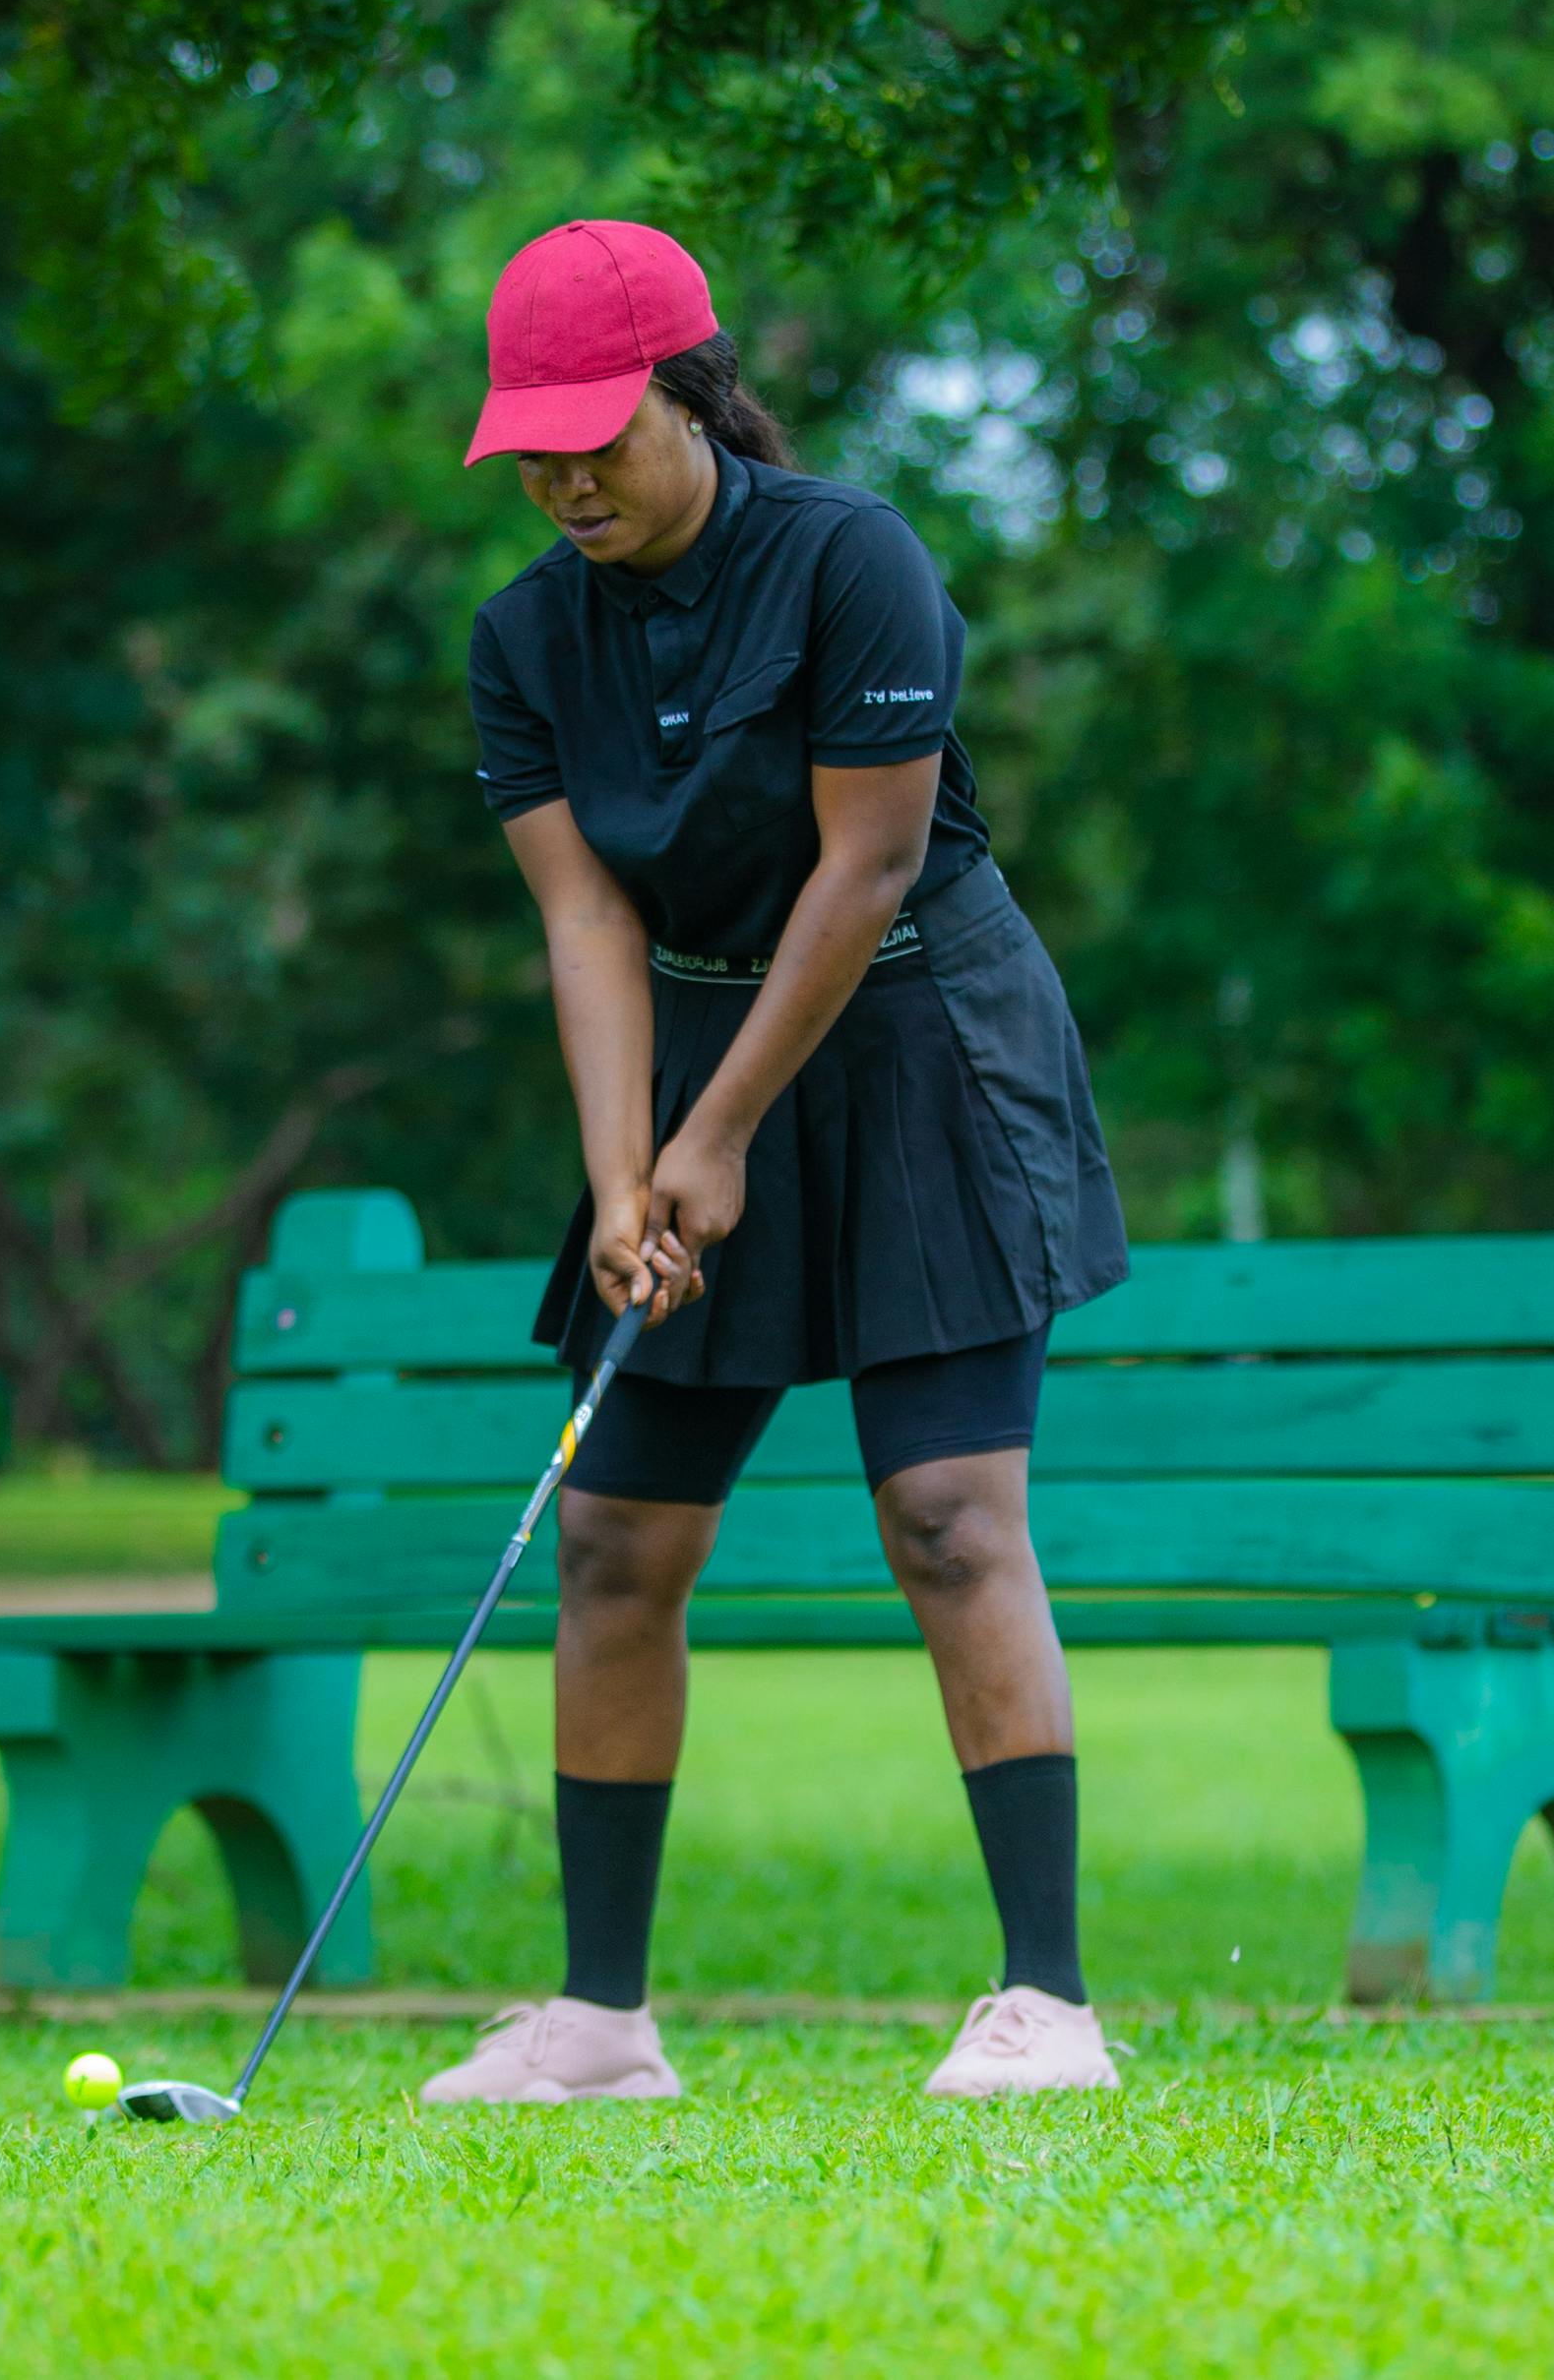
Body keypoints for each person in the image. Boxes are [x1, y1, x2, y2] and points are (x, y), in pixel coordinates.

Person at [419, 219, 1129, 2107]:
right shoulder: (521, 639)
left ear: (691, 394)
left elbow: (867, 864)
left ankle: (1046, 2001)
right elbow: (586, 916)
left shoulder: (849, 559)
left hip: (921, 1040)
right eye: (531, 449)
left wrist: (716, 1133)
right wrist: (625, 1173)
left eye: (595, 435)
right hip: (693, 1047)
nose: (565, 480)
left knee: (948, 1513)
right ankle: (597, 2023)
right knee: (614, 1538)